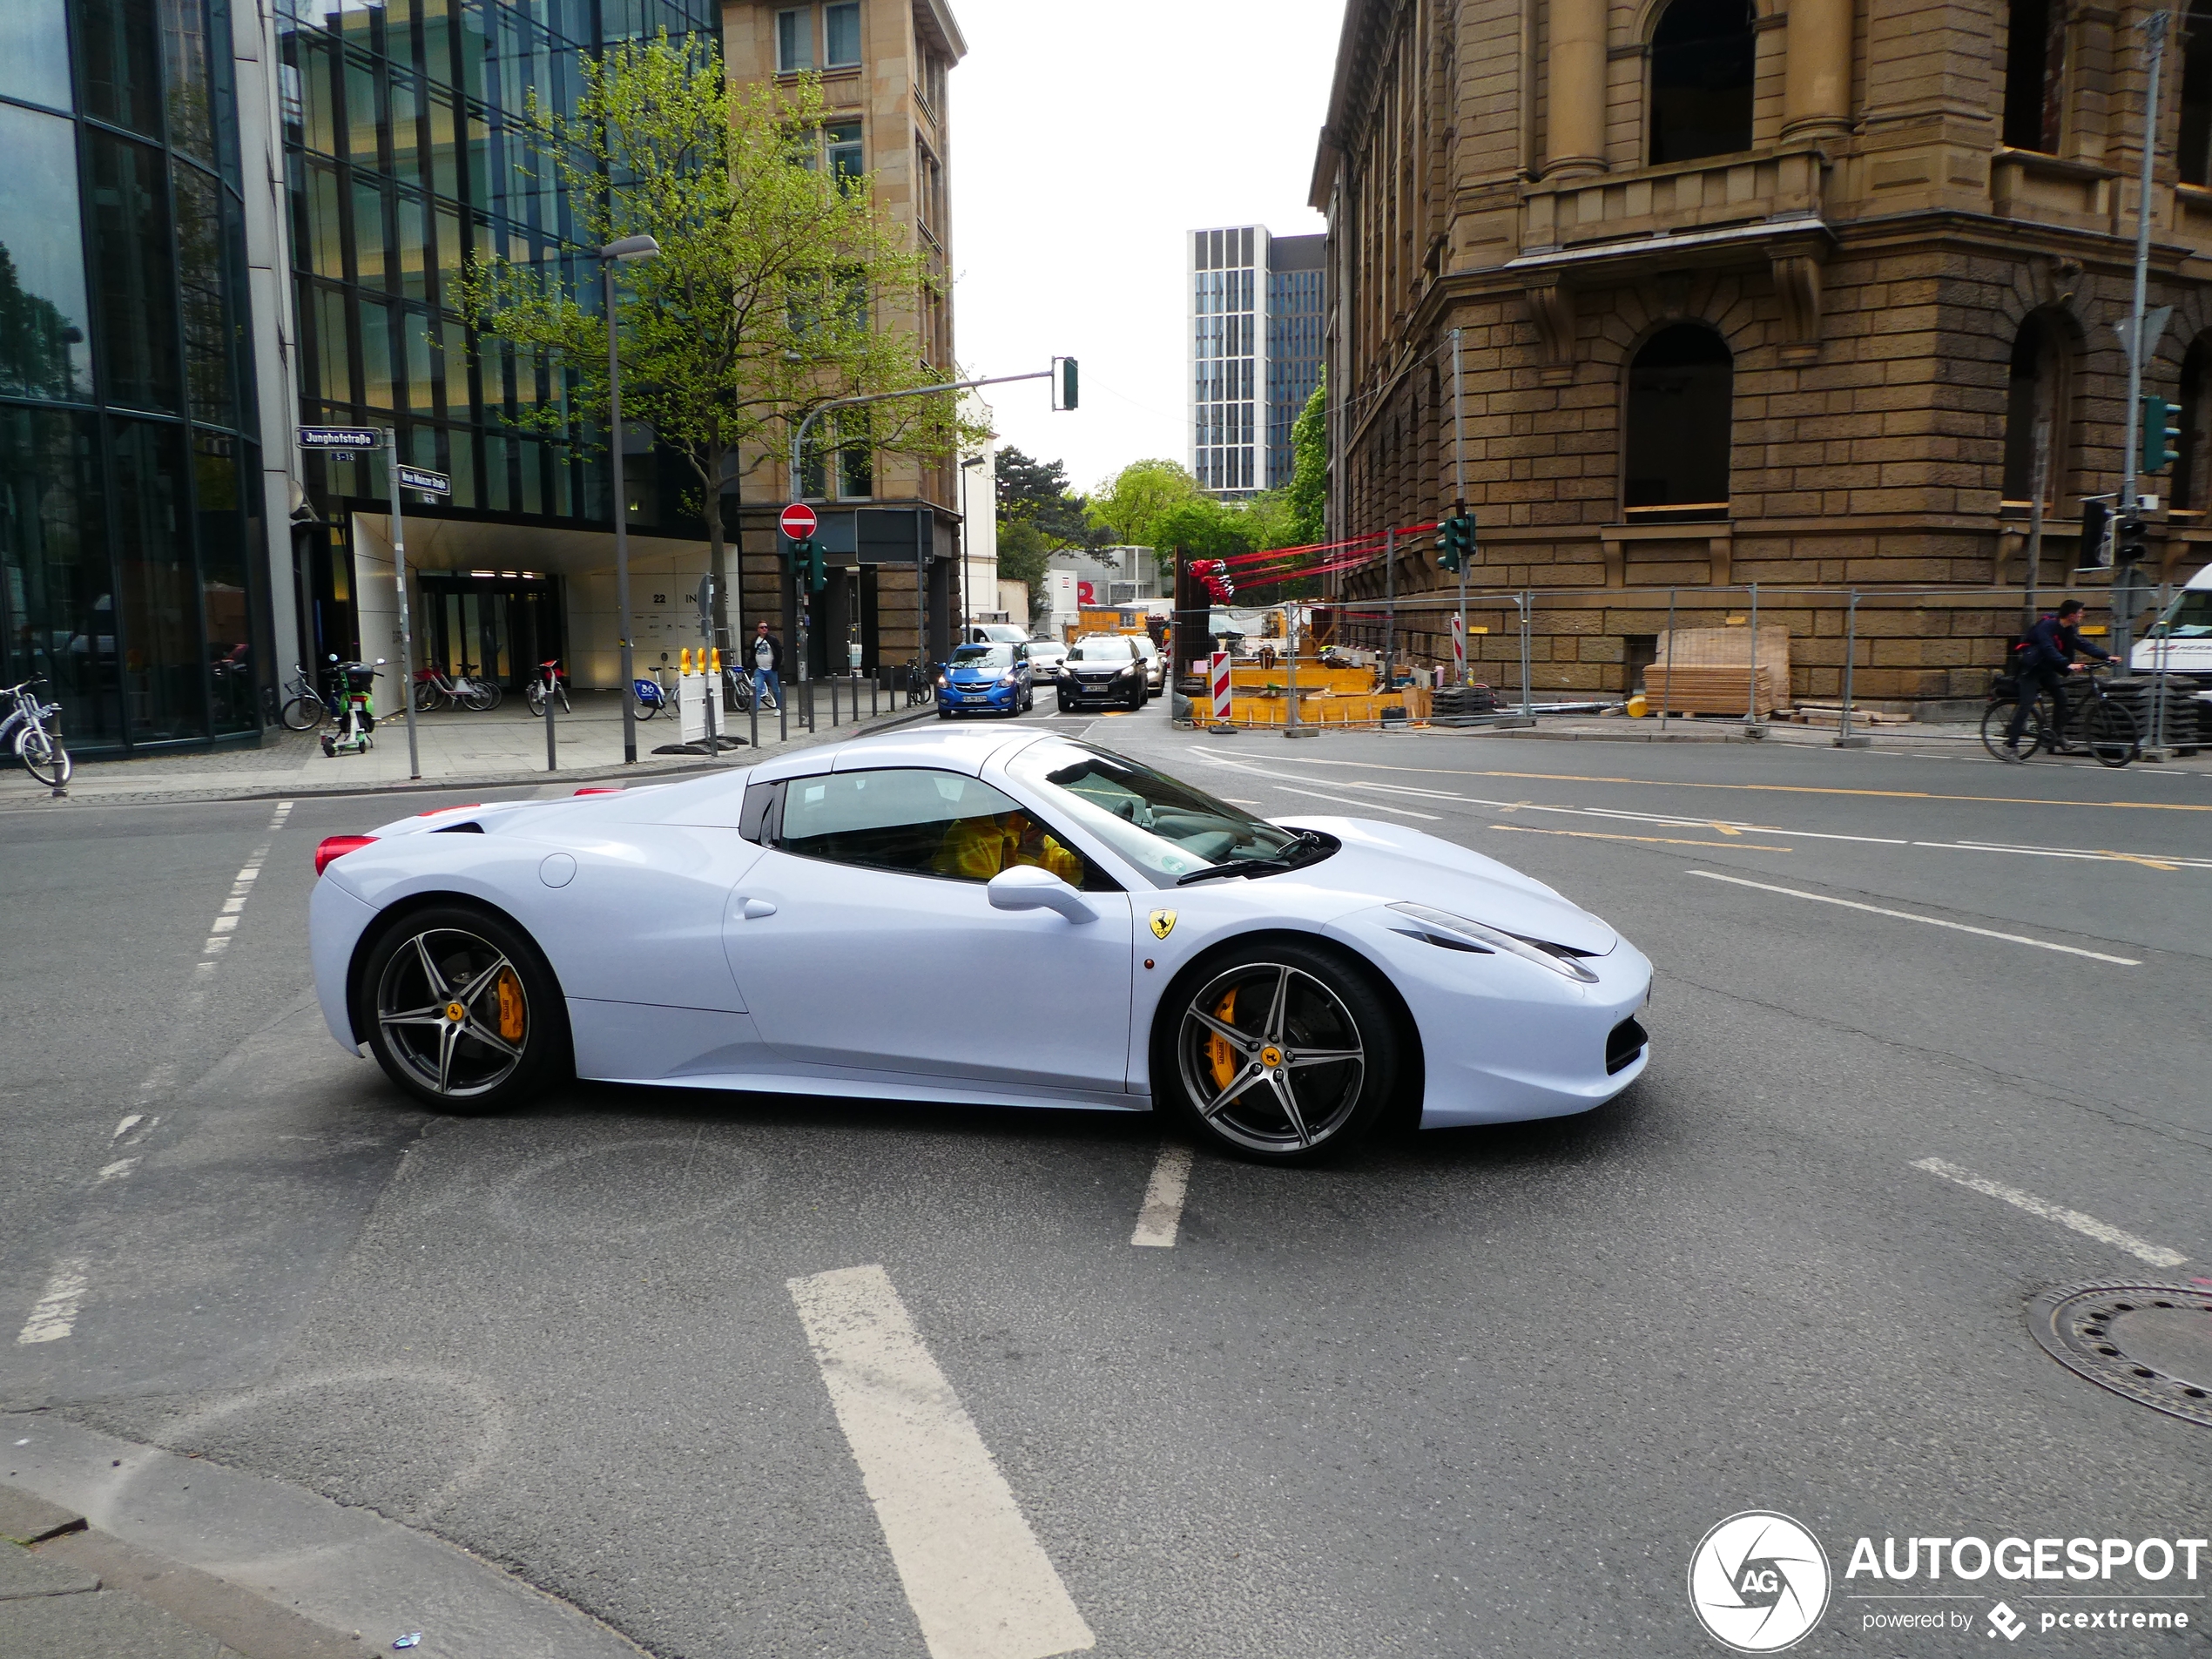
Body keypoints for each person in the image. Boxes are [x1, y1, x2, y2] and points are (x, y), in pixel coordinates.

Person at [2004, 598, 2110, 758]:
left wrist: (2107, 657)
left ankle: (2057, 735)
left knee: (2062, 698)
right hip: (2032, 670)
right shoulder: (2047, 626)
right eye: (2080, 612)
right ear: (2071, 615)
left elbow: (2083, 644)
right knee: (2026, 705)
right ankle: (2011, 745)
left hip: (2047, 670)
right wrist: (2068, 664)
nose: (2082, 615)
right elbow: (2048, 648)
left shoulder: (2069, 629)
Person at [750, 619, 783, 711]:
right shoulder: (755, 641)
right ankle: (755, 709)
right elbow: (752, 654)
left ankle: (779, 708)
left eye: (766, 627)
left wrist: (776, 666)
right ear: (758, 629)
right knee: (757, 688)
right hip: (759, 669)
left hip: (771, 669)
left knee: (775, 689)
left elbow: (779, 653)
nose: (764, 629)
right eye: (762, 627)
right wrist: (753, 665)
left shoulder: (772, 639)